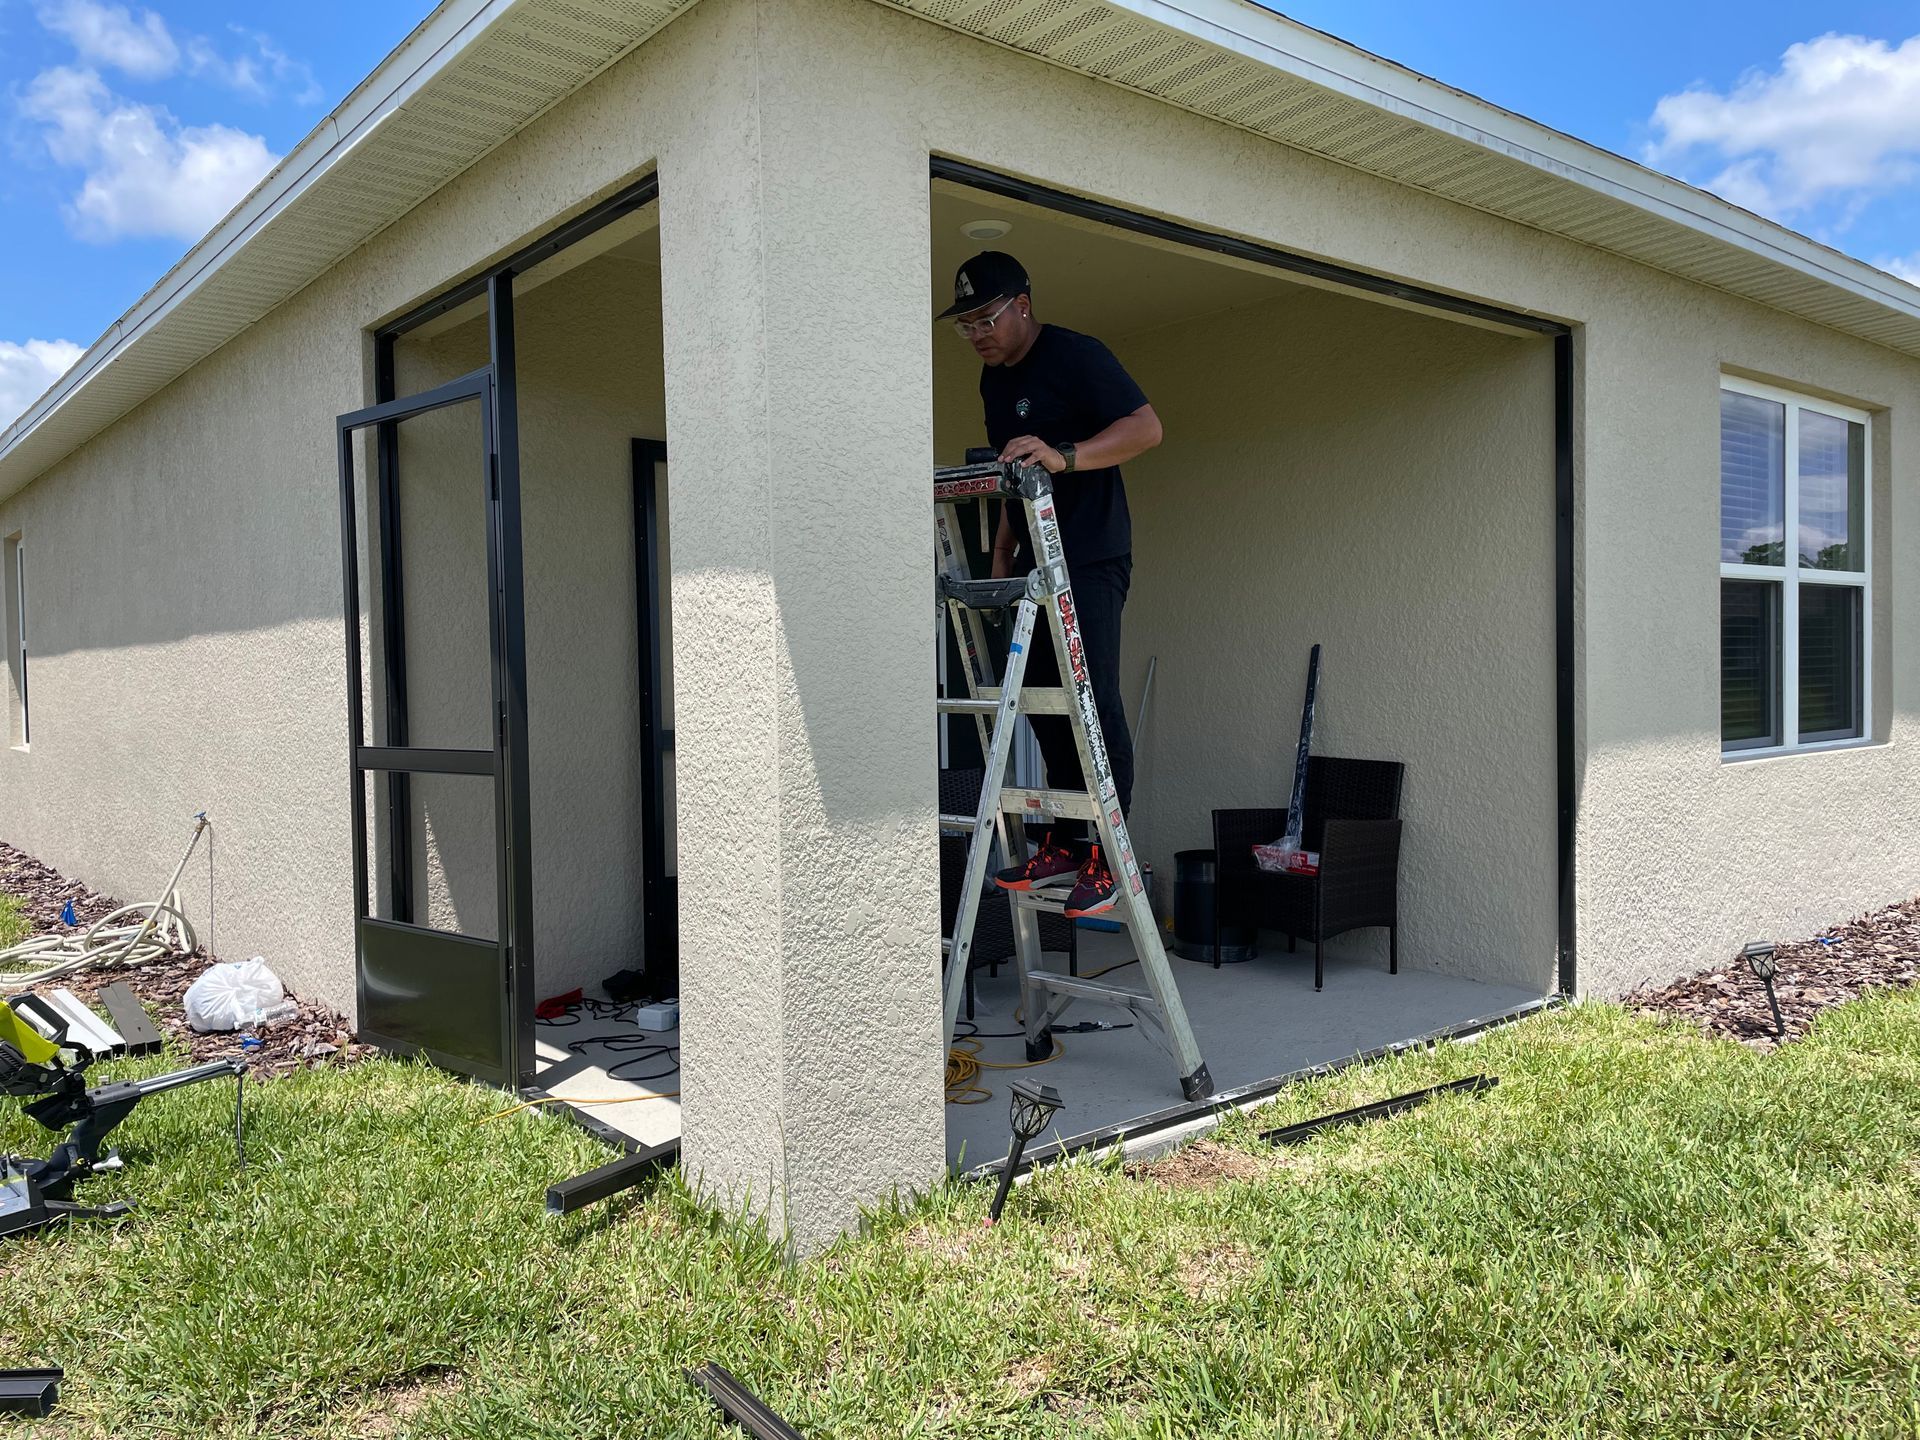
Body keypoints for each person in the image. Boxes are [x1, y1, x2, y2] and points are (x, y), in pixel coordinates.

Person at [937, 250, 1164, 919]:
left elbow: (1146, 429)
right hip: (1033, 564)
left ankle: (1108, 856)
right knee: (1041, 702)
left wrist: (1068, 457)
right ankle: (1066, 842)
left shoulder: (1075, 354)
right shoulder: (992, 382)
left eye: (986, 317)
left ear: (1023, 306)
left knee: (1090, 699)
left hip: (1089, 557)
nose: (976, 333)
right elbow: (1015, 472)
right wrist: (1003, 555)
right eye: (965, 324)